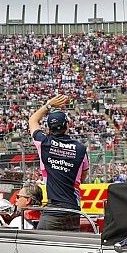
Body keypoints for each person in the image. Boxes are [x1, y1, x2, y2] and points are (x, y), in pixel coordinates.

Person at [28, 94, 89, 231]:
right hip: (74, 209)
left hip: (54, 208)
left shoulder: (43, 143)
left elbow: (32, 120)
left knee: (37, 246)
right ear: (68, 125)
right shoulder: (81, 149)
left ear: (48, 129)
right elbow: (83, 178)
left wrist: (49, 105)